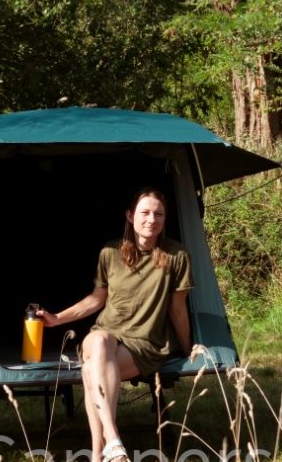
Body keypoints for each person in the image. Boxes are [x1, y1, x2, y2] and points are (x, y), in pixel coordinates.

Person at [38, 188, 194, 462]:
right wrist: (57, 319)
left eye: (158, 214)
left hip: (145, 342)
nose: (151, 220)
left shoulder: (176, 255)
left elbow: (177, 308)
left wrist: (188, 347)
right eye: (144, 213)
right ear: (130, 216)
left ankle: (100, 453)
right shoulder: (110, 253)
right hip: (106, 333)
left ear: (165, 218)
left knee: (91, 371)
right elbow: (97, 299)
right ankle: (114, 442)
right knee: (97, 342)